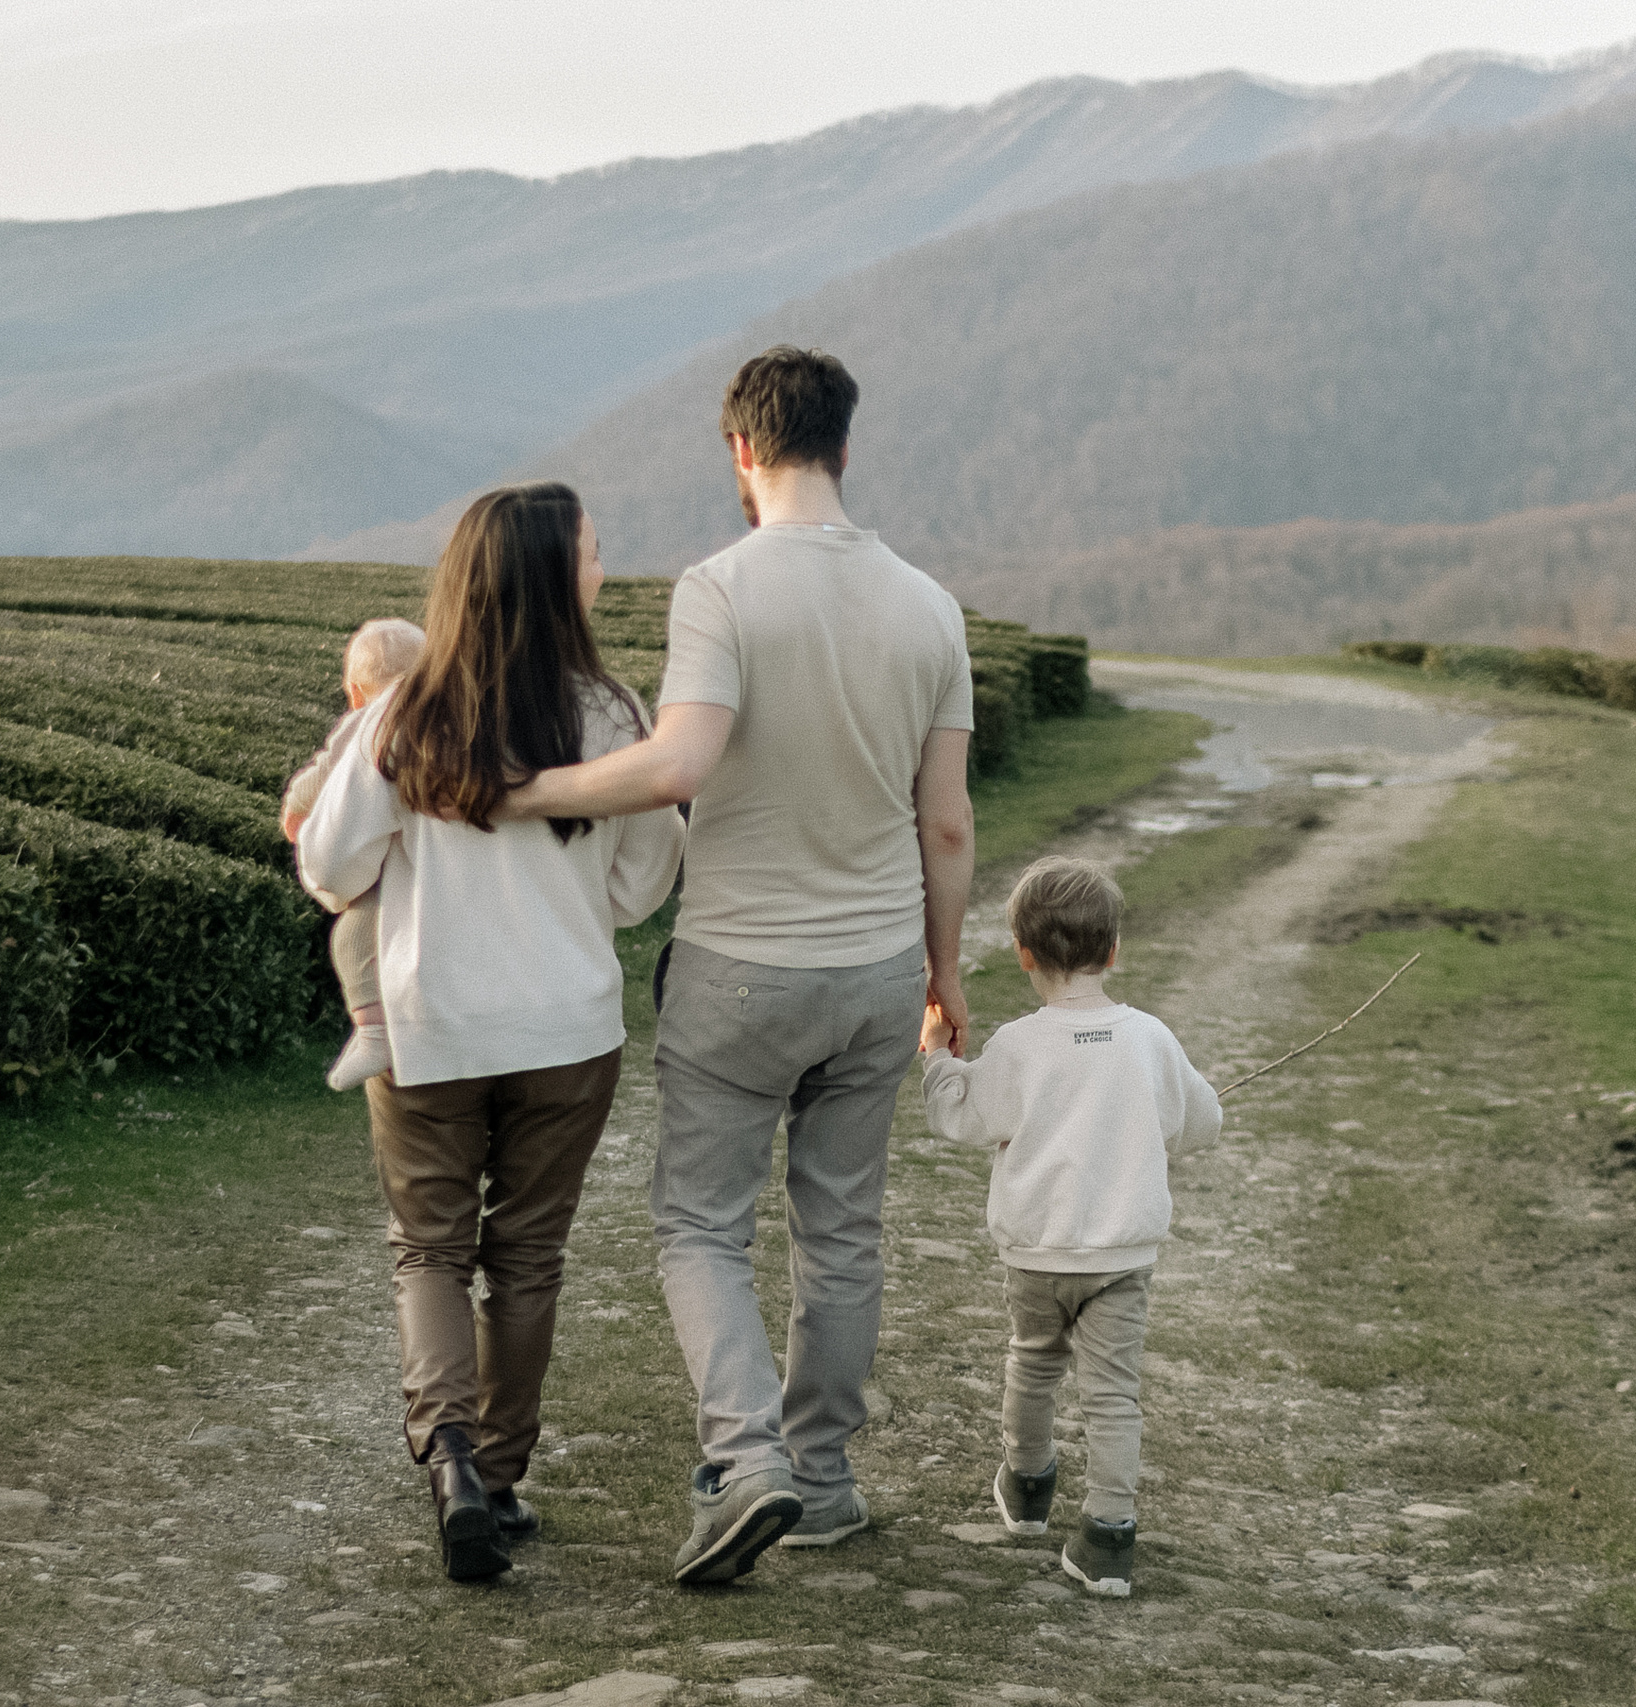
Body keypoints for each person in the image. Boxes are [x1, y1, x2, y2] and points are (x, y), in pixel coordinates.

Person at [498, 346, 977, 1584]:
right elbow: (949, 824)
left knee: (700, 1225)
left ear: (739, 451)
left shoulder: (718, 588)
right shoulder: (930, 606)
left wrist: (523, 790)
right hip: (876, 971)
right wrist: (946, 975)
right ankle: (820, 1480)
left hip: (740, 968)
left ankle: (744, 1454)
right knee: (843, 1228)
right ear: (845, 448)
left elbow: (675, 767)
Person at [296, 482, 685, 1583]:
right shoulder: (610, 714)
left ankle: (449, 1457)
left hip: (434, 1025)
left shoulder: (402, 711)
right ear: (556, 579)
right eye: (594, 555)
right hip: (566, 1026)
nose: (603, 570)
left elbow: (328, 868)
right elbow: (645, 880)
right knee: (526, 1256)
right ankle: (502, 1477)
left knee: (429, 1248)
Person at [919, 856, 1223, 1597]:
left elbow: (961, 1114)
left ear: (1024, 954)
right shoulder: (1149, 1037)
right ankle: (1109, 1534)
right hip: (1121, 1257)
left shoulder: (1021, 1044)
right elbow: (1203, 1121)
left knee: (1033, 1363)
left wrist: (935, 1057)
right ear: (1114, 949)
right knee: (1113, 1392)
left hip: (1037, 1253)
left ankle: (1027, 1491)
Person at [282, 616, 428, 1091]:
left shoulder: (363, 722)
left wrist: (295, 805)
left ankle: (372, 1031)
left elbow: (323, 774)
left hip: (384, 861)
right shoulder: (437, 717)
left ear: (354, 691)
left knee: (352, 937)